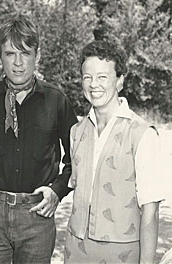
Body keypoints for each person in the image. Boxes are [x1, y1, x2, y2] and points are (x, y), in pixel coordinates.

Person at [0, 14, 78, 264]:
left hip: (37, 216)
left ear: (37, 56)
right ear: (0, 56)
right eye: (10, 54)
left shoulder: (56, 101)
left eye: (25, 53)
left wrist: (57, 191)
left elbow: (77, 158)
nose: (18, 63)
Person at [65, 40, 163, 263]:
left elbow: (151, 212)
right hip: (75, 252)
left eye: (102, 77)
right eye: (87, 77)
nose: (93, 84)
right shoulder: (76, 132)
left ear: (119, 81)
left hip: (122, 256)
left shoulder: (142, 134)